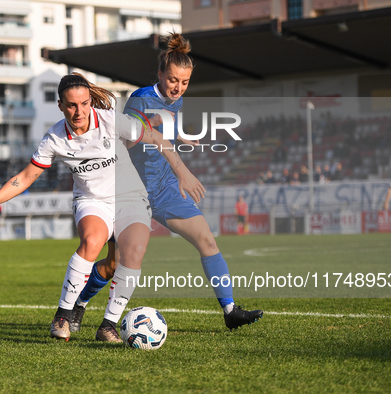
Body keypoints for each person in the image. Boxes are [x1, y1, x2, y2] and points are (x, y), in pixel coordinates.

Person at [0, 73, 204, 342]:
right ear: (60, 105)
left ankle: (108, 325)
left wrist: (183, 173)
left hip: (130, 197)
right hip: (91, 200)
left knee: (130, 255)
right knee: (93, 239)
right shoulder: (54, 138)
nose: (79, 112)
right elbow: (25, 178)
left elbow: (156, 138)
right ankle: (63, 315)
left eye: (84, 104)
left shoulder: (110, 120)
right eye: (72, 105)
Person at [70, 33, 263, 335]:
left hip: (163, 190)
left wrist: (181, 136)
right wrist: (155, 126)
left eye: (184, 82)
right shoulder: (140, 99)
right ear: (160, 74)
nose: (178, 87)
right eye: (173, 80)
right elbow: (126, 140)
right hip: (129, 192)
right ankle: (79, 305)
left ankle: (230, 311)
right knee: (113, 264)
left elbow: (168, 124)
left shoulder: (178, 100)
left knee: (207, 241)